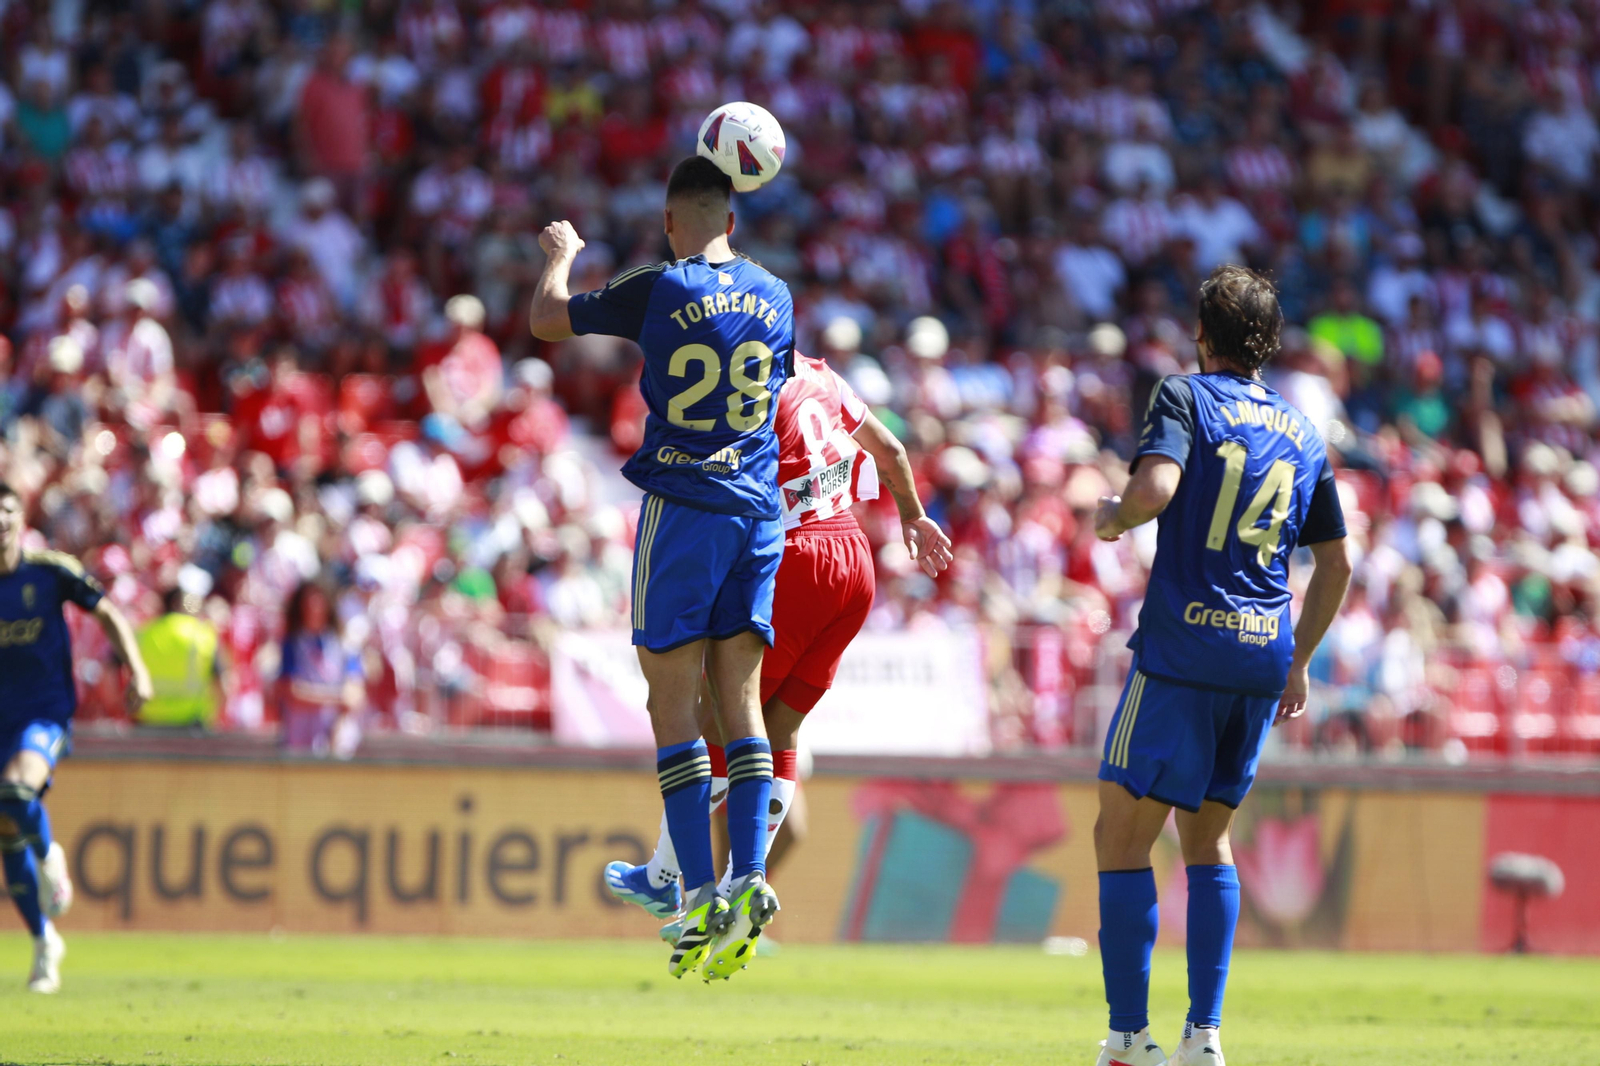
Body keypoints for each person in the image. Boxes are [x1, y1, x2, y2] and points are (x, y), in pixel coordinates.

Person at [529, 156, 794, 980]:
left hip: (683, 512)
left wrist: (561, 254)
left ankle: (697, 893)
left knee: (672, 705)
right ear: (735, 221)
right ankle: (750, 874)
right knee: (743, 701)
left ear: (674, 221)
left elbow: (548, 321)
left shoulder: (662, 285)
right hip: (757, 512)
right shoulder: (778, 294)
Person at [1089, 266, 1351, 1066]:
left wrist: (1114, 516)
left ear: (1202, 334)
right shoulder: (1305, 431)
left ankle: (1131, 1037)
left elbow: (1158, 487)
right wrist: (1299, 660)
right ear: (1269, 343)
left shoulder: (1184, 397)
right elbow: (1337, 564)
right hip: (1260, 653)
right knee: (1210, 843)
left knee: (1120, 838)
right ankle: (1205, 1035)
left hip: (1181, 649)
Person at [605, 349, 954, 936]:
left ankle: (674, 878)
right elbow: (890, 452)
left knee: (719, 717)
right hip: (854, 560)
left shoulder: (748, 391)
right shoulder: (822, 374)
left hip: (796, 556)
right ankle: (747, 881)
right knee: (780, 727)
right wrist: (914, 517)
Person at [0, 482, 153, 993]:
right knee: (6, 831)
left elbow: (107, 611)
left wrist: (137, 669)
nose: (0, 522)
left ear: (21, 520)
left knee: (17, 791)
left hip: (44, 714)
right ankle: (45, 943)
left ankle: (50, 860)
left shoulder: (49, 571)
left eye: (7, 512)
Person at [276, 581, 363, 757]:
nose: (314, 605)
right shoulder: (292, 644)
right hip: (299, 735)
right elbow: (291, 692)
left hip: (336, 738)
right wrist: (336, 697)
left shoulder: (344, 643)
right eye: (309, 599)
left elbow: (355, 693)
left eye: (319, 598)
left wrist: (337, 728)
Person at [136, 587, 226, 729]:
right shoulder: (202, 635)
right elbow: (222, 683)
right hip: (191, 724)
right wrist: (214, 716)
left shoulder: (145, 632)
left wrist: (124, 707)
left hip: (149, 721)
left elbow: (109, 670)